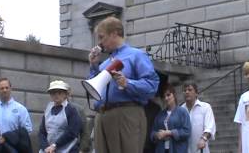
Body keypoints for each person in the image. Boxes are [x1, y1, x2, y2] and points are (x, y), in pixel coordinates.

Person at [88, 16, 160, 153]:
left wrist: (128, 83)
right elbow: (94, 88)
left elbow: (152, 85)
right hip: (102, 115)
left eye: (102, 37)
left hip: (126, 113)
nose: (100, 43)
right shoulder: (104, 63)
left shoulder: (136, 55)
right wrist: (93, 66)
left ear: (114, 34)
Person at [0, 77, 33, 153]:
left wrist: (11, 138)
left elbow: (27, 130)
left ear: (11, 89)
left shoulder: (21, 109)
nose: (4, 90)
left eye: (7, 88)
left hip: (13, 148)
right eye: (2, 88)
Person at [39, 80, 82, 153]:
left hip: (68, 149)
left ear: (65, 94)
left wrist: (55, 145)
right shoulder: (47, 110)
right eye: (53, 93)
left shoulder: (71, 110)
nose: (56, 95)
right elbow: (42, 132)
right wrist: (45, 147)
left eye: (59, 92)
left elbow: (72, 132)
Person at [151, 83, 191, 153]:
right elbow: (153, 132)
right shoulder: (160, 115)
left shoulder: (182, 112)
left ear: (174, 95)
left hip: (177, 149)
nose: (166, 98)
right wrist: (157, 135)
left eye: (168, 95)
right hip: (162, 149)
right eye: (164, 97)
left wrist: (170, 133)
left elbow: (187, 131)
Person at [181, 82, 216, 153]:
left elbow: (209, 127)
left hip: (201, 150)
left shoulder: (205, 107)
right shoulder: (180, 110)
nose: (187, 92)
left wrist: (203, 139)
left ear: (196, 93)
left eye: (190, 90)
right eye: (185, 90)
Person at [67, 83, 92, 153]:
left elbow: (85, 132)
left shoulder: (78, 109)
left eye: (66, 92)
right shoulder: (51, 110)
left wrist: (82, 150)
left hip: (74, 148)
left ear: (69, 93)